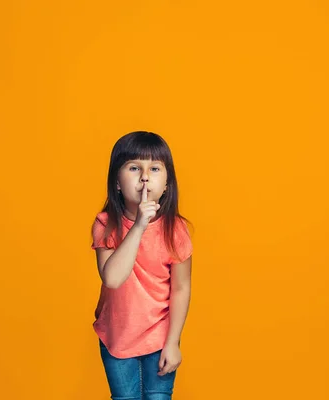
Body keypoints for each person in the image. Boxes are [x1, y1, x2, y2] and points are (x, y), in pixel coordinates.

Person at [90, 131, 193, 400]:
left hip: (159, 337)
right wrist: (139, 226)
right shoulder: (106, 224)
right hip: (117, 338)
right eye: (135, 167)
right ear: (117, 183)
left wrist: (172, 342)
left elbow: (180, 289)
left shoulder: (176, 229)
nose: (145, 177)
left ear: (167, 183)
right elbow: (112, 278)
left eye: (155, 168)